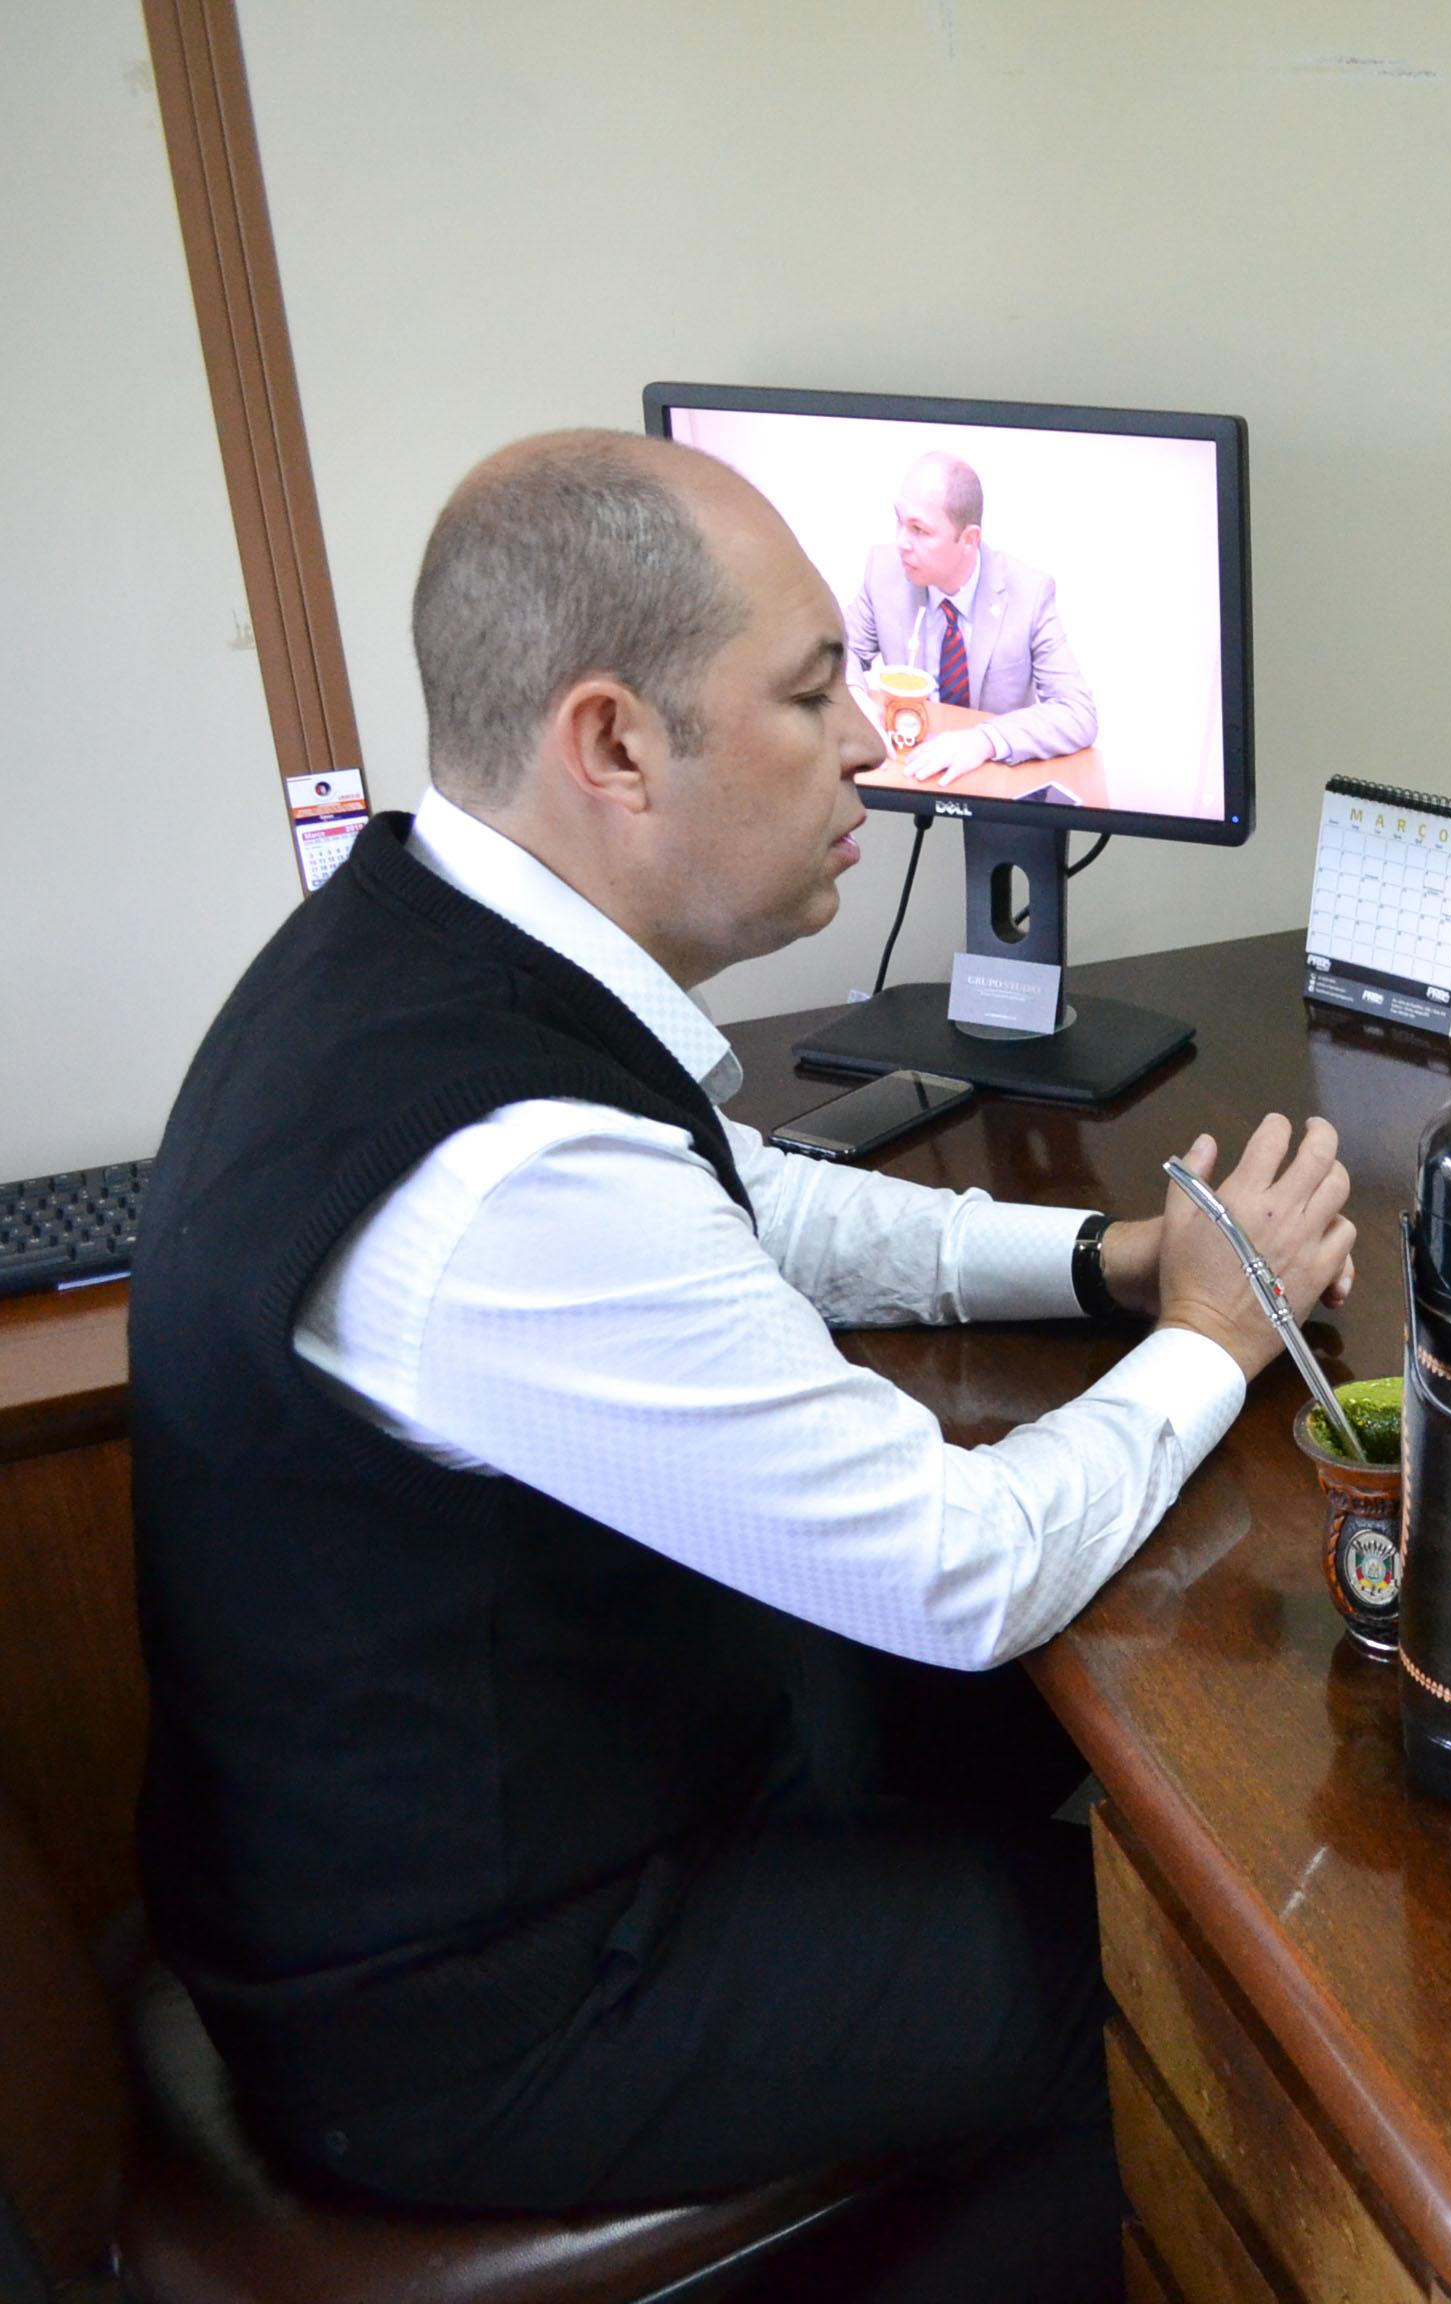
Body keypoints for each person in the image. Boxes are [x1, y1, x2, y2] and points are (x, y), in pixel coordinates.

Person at [126, 431, 1351, 2303]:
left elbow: (743, 1196)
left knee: (1035, 1758)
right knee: (1183, 1971)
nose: (869, 734)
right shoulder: (507, 1176)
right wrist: (1208, 1339)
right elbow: (960, 1566)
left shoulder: (418, 933)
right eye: (808, 691)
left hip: (466, 1827)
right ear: (613, 744)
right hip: (477, 2011)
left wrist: (1108, 1265)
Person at [845, 448, 1098, 781]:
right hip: (908, 766)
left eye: (919, 530)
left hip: (992, 777)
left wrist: (985, 740)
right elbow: (837, 652)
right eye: (899, 521)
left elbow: (1077, 712)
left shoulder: (1029, 593)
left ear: (969, 539)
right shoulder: (884, 572)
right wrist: (854, 697)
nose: (901, 542)